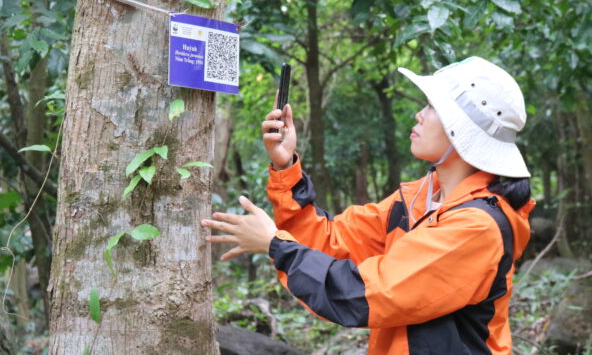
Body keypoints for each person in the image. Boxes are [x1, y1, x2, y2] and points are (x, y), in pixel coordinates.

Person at [202, 57, 535, 354]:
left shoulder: (477, 228)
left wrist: (276, 246)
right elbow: (330, 241)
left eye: (432, 107)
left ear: (459, 131)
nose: (419, 114)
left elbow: (368, 293)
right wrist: (286, 167)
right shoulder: (417, 199)